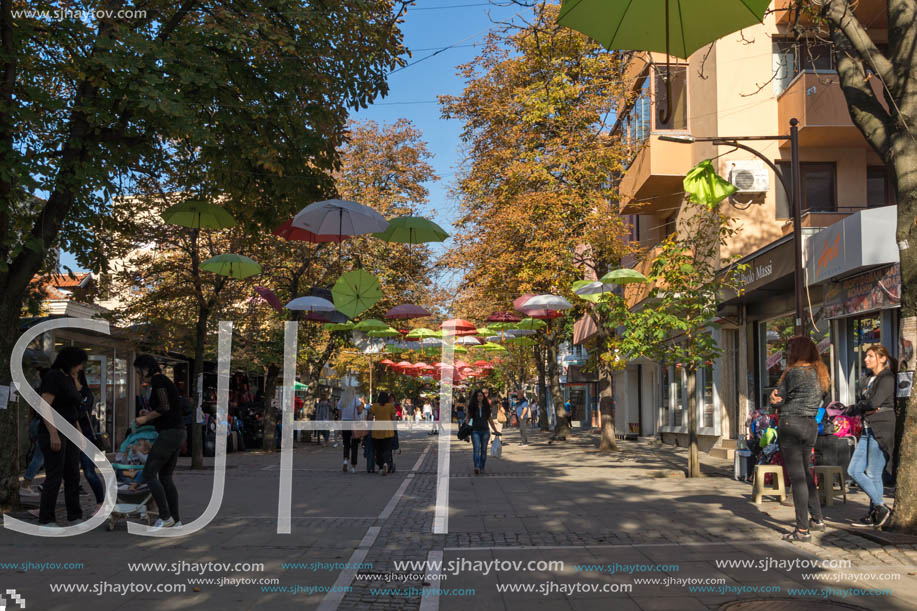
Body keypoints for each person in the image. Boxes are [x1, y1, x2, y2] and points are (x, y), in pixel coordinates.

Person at [769, 336, 828, 542]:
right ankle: (817, 519)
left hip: (791, 424)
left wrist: (773, 401)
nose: (787, 354)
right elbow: (824, 397)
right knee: (806, 472)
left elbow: (778, 398)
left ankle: (802, 530)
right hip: (811, 425)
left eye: (790, 351)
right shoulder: (821, 373)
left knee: (797, 477)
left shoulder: (793, 373)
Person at [33, 348, 88, 527]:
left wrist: (79, 432)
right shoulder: (53, 377)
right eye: (79, 364)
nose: (81, 368)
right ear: (71, 362)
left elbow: (73, 410)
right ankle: (47, 518)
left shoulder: (69, 378)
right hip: (54, 429)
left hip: (70, 428)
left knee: (73, 474)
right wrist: (53, 433)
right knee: (54, 475)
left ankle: (74, 515)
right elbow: (44, 406)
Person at [846, 344, 897, 528]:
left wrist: (862, 406)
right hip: (867, 428)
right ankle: (880, 507)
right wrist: (861, 406)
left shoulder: (887, 377)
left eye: (870, 356)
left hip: (881, 427)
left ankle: (875, 514)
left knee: (873, 473)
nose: (866, 359)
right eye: (866, 356)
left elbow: (875, 402)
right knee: (854, 470)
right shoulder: (867, 379)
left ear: (882, 358)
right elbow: (864, 403)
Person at [134, 355, 187, 531]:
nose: (139, 376)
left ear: (146, 369)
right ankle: (176, 520)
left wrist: (145, 418)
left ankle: (165, 517)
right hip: (178, 432)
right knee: (165, 476)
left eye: (139, 372)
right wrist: (148, 413)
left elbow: (164, 406)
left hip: (169, 433)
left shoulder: (157, 380)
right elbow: (164, 408)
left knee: (149, 474)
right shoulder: (163, 381)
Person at [76, 370, 105, 513]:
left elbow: (80, 412)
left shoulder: (86, 393)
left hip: (85, 435)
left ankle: (101, 502)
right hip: (69, 435)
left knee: (88, 471)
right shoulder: (65, 392)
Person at [468, 389, 498, 475]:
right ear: (475, 397)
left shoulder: (486, 406)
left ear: (483, 397)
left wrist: (495, 430)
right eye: (478, 396)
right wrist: (467, 429)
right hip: (475, 431)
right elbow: (469, 418)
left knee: (484, 450)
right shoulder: (472, 406)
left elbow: (490, 419)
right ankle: (476, 467)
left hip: (485, 431)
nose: (479, 397)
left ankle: (482, 467)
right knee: (476, 449)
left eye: (481, 395)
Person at [370, 391, 396, 475]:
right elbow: (393, 418)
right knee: (387, 449)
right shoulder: (390, 406)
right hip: (388, 430)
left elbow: (370, 417)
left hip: (377, 431)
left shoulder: (375, 406)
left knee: (379, 450)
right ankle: (386, 462)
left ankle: (380, 466)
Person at [339, 387, 362, 473]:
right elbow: (360, 411)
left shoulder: (342, 400)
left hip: (345, 423)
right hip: (354, 424)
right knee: (354, 445)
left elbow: (340, 415)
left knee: (346, 443)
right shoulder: (355, 399)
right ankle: (353, 467)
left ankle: (345, 460)